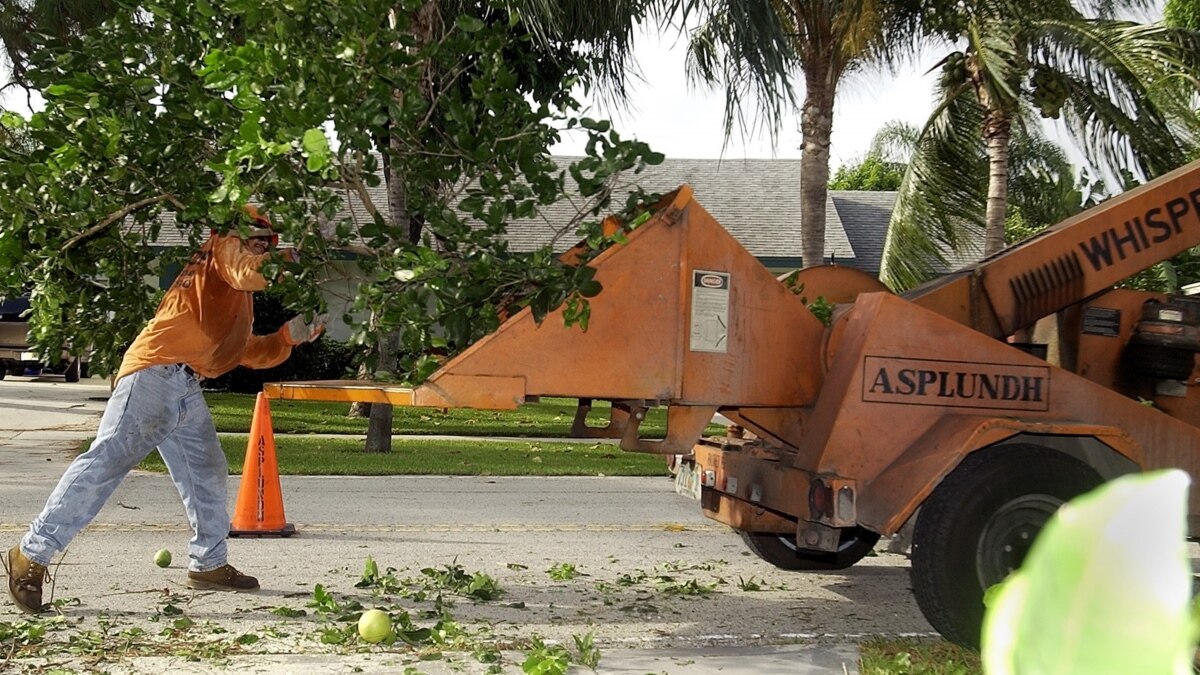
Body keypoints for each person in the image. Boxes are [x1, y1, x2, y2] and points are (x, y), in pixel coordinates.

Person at [4, 206, 324, 613]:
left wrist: (286, 338)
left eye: (267, 241)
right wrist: (290, 260)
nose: (261, 246)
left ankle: (208, 564)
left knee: (206, 470)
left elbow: (243, 351)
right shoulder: (221, 251)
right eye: (256, 239)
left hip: (184, 385)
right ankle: (31, 554)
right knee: (105, 463)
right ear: (235, 235)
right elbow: (247, 269)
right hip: (155, 372)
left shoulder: (233, 295)